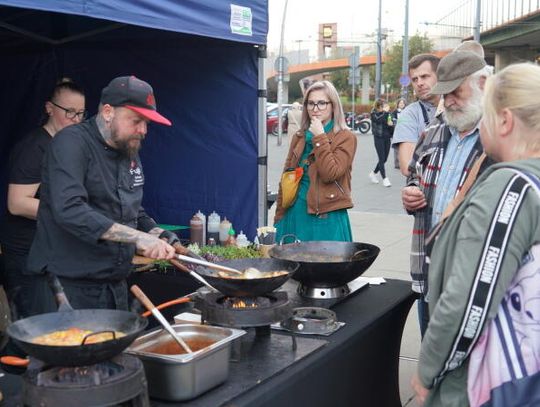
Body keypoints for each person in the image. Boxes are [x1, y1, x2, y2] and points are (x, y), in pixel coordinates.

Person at [412, 62, 540, 406]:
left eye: (486, 113)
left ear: (505, 121)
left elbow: (467, 300)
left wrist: (427, 373)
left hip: (486, 386)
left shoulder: (511, 185)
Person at [27, 75, 178, 311]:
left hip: (113, 284)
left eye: (147, 123)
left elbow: (133, 211)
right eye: (137, 120)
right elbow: (69, 210)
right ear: (108, 112)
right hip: (66, 288)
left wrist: (157, 233)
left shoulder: (128, 149)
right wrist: (138, 238)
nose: (143, 130)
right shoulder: (70, 143)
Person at [402, 51, 491, 337]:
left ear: (483, 84)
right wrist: (411, 191)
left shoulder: (499, 137)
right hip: (429, 271)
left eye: (457, 92)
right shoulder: (434, 130)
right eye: (445, 93)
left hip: (472, 276)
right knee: (431, 352)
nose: (449, 101)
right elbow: (414, 172)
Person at [0, 78, 86, 320]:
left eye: (80, 113)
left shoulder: (63, 146)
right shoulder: (34, 148)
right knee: (33, 327)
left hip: (50, 252)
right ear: (50, 108)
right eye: (69, 112)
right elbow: (17, 202)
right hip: (25, 254)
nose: (76, 119)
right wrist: (72, 212)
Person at [274, 80, 356, 243]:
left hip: (326, 218)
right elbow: (287, 176)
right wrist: (279, 215)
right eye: (310, 104)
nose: (315, 109)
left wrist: (319, 137)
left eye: (321, 103)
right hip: (295, 214)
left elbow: (329, 174)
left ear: (333, 105)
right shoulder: (300, 136)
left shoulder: (346, 137)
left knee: (326, 267)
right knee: (292, 266)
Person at [392, 54, 441, 176]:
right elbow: (408, 167)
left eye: (424, 77)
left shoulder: (456, 106)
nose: (419, 83)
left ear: (440, 76)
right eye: (415, 79)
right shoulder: (408, 114)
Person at [369, 99, 393, 187]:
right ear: (379, 106)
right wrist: (386, 113)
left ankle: (373, 173)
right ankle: (385, 178)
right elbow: (379, 120)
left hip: (387, 138)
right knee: (381, 158)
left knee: (384, 159)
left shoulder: (387, 114)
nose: (386, 107)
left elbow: (389, 127)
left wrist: (391, 125)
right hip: (378, 138)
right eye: (384, 106)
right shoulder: (373, 114)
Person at [391, 98, 407, 169]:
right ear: (398, 104)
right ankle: (397, 163)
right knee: (396, 147)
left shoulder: (407, 111)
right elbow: (393, 120)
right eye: (400, 103)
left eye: (403, 103)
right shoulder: (394, 112)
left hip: (405, 131)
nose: (401, 104)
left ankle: (403, 163)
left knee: (404, 147)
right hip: (396, 131)